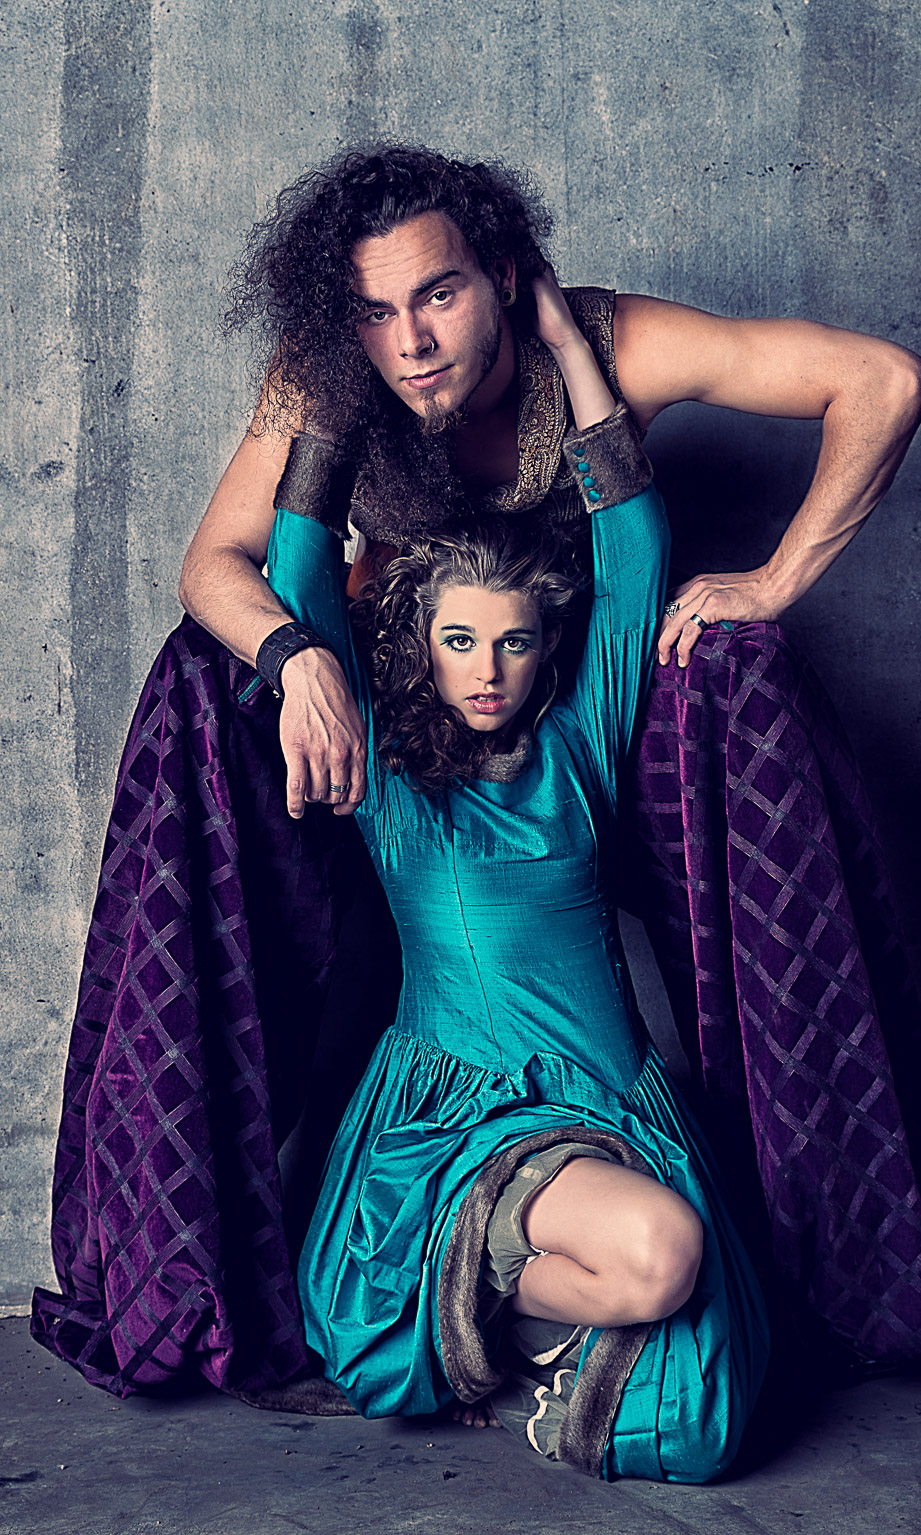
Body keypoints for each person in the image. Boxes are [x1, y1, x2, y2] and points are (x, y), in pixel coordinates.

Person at [32, 144, 921, 1407]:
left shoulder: (610, 348)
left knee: (701, 1384)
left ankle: (810, 1242)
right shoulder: (333, 375)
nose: (409, 342)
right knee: (206, 669)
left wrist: (770, 578)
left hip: (588, 745)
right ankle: (235, 1259)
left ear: (506, 277)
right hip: (402, 762)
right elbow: (228, 567)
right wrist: (304, 659)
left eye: (439, 295)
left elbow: (879, 384)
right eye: (373, 311)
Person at [278, 269, 769, 1480]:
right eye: (458, 640)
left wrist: (563, 339)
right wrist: (335, 389)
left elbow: (634, 542)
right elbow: (300, 572)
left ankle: (496, 1331)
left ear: (549, 646)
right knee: (659, 1256)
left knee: (700, 1423)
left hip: (609, 1102)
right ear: (421, 646)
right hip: (453, 1118)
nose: (486, 668)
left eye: (511, 640)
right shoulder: (389, 776)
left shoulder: (580, 747)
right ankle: (461, 1282)